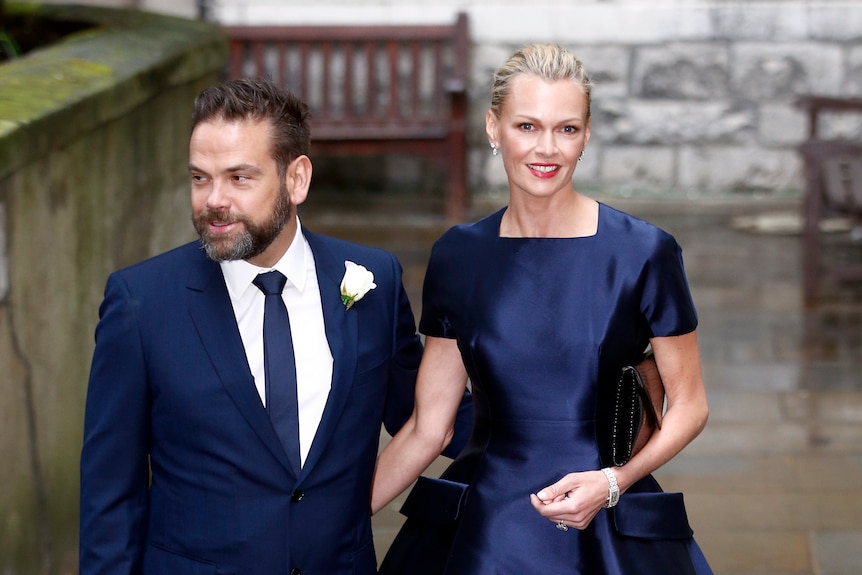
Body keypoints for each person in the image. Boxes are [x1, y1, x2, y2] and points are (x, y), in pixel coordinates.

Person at [79, 77, 469, 575]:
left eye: (239, 178)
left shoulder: (375, 282)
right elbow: (110, 496)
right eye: (200, 178)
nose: (214, 200)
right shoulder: (140, 302)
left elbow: (425, 411)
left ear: (296, 179)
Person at [372, 44, 713, 574]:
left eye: (567, 129)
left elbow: (689, 406)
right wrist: (329, 517)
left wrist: (613, 483)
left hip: (603, 517)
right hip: (485, 525)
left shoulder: (644, 253)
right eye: (527, 126)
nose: (546, 148)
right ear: (493, 127)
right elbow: (429, 428)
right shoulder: (458, 255)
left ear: (587, 133)